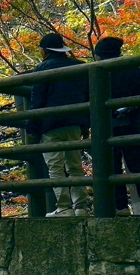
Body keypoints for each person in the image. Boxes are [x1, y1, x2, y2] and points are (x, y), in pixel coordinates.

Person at [28, 33, 91, 217]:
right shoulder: (79, 67)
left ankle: (64, 207)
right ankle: (81, 206)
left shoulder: (42, 69)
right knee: (75, 165)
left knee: (55, 166)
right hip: (74, 123)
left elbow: (36, 101)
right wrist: (85, 123)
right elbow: (86, 96)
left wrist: (32, 127)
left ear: (45, 51)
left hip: (50, 124)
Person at [93, 37, 140, 215]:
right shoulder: (133, 68)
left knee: (111, 167)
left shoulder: (99, 72)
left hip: (108, 125)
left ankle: (119, 207)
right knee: (137, 163)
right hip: (134, 122)